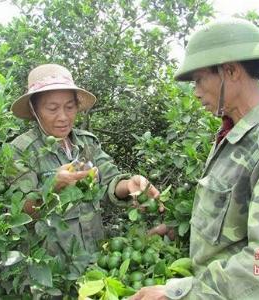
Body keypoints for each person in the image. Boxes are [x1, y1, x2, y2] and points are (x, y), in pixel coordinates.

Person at [131, 18, 259, 300]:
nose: (195, 91)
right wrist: (177, 232)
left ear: (230, 71)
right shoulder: (234, 137)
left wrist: (179, 294)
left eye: (200, 79)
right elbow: (231, 224)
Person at [9, 63, 159, 256]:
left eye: (69, 107)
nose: (63, 117)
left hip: (93, 259)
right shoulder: (21, 150)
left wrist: (129, 184)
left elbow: (109, 181)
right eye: (52, 108)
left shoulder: (87, 143)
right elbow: (21, 213)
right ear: (34, 109)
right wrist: (53, 186)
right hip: (51, 270)